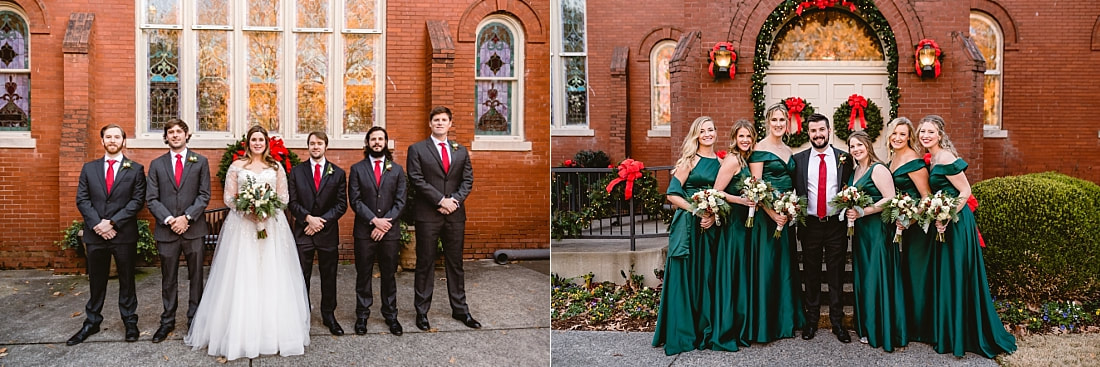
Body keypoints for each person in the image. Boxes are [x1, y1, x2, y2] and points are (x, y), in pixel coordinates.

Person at [185, 125, 310, 361]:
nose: (257, 143)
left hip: (271, 226)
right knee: (242, 272)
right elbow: (229, 197)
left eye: (261, 139)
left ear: (267, 143)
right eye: (253, 139)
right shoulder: (237, 166)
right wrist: (248, 210)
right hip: (242, 226)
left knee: (272, 272)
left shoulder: (275, 167)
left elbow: (283, 198)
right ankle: (238, 332)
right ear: (248, 143)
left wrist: (265, 210)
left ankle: (272, 333)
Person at [917, 115, 1016, 358]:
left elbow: (965, 190)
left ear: (940, 135)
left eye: (930, 132)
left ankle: (963, 334)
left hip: (958, 224)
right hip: (943, 222)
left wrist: (947, 214)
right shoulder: (930, 159)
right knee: (946, 276)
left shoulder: (948, 158)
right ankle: (948, 332)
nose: (926, 136)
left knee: (957, 275)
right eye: (922, 132)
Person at [69, 124, 146, 346]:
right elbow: (82, 199)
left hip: (123, 235)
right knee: (96, 281)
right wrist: (98, 225)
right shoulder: (89, 168)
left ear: (124, 141)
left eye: (117, 137)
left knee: (127, 281)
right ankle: (92, 322)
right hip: (95, 235)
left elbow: (136, 201)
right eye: (108, 137)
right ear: (102, 141)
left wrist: (112, 223)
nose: (112, 140)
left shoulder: (136, 169)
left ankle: (130, 321)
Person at [406, 106, 480, 331]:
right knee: (425, 263)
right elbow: (416, 179)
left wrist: (454, 201)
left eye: (444, 120)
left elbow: (467, 180)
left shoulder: (460, 150)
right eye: (436, 120)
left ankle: (460, 310)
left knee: (455, 263)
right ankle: (422, 312)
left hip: (455, 215)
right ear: (430, 124)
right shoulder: (417, 149)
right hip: (428, 215)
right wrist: (440, 200)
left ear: (450, 124)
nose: (439, 123)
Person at [652, 116, 720, 355]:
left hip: (709, 228)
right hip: (688, 225)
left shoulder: (721, 162)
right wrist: (696, 209)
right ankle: (682, 332)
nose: (708, 134)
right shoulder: (690, 161)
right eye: (703, 131)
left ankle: (703, 330)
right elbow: (672, 194)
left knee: (705, 276)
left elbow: (720, 195)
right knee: (685, 276)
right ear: (696, 135)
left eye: (711, 130)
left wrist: (712, 214)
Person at [145, 118, 211, 343]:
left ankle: (195, 320)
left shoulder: (200, 162)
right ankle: (167, 321)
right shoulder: (156, 164)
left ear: (186, 135)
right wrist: (171, 220)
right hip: (167, 231)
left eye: (179, 132)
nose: (175, 135)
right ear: (166, 137)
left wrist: (187, 218)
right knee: (168, 278)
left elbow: (204, 195)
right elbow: (151, 199)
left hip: (194, 230)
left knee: (196, 277)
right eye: (170, 132)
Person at [743, 104, 805, 343]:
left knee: (784, 267)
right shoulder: (760, 149)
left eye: (782, 120)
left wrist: (789, 210)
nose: (779, 124)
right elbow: (755, 187)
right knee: (767, 268)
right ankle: (765, 324)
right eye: (775, 120)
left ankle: (785, 320)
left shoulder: (788, 150)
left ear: (787, 123)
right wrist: (772, 214)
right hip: (766, 218)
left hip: (785, 216)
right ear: (767, 122)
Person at [791, 113, 852, 343]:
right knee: (811, 273)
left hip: (836, 224)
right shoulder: (798, 160)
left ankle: (838, 323)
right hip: (811, 225)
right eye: (813, 131)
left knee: (836, 274)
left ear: (829, 131)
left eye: (821, 130)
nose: (818, 135)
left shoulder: (844, 158)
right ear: (808, 133)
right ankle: (812, 321)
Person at [844, 131, 907, 351]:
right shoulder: (855, 171)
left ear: (868, 145)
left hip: (878, 231)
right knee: (864, 277)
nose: (856, 149)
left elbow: (890, 198)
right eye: (852, 146)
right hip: (862, 232)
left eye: (859, 145)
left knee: (876, 276)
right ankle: (866, 327)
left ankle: (881, 330)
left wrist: (863, 211)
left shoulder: (878, 168)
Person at [348, 126, 407, 336]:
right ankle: (362, 315)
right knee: (363, 274)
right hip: (365, 232)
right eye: (373, 139)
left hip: (389, 233)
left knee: (389, 275)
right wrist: (374, 221)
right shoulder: (357, 169)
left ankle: (391, 315)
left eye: (381, 139)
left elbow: (401, 201)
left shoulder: (397, 170)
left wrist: (384, 224)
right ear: (367, 143)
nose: (377, 142)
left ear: (386, 143)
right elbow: (355, 200)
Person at [288, 131, 348, 336]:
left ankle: (329, 315)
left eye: (319, 143)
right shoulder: (296, 172)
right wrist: (308, 219)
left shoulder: (338, 173)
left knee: (329, 276)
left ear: (326, 147)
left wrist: (320, 222)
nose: (315, 147)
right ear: (308, 146)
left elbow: (341, 205)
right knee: (301, 276)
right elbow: (292, 202)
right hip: (303, 232)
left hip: (327, 233)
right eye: (312, 143)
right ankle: (301, 316)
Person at [708, 119, 757, 351]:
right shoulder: (732, 159)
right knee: (732, 272)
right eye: (741, 136)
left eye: (748, 136)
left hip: (743, 223)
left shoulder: (744, 160)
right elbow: (716, 192)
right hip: (733, 225)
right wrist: (740, 200)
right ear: (734, 139)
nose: (745, 140)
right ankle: (726, 330)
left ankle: (739, 327)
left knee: (740, 273)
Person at [885, 117, 934, 343]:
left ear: (909, 137)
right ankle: (905, 324)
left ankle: (920, 327)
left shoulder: (914, 161)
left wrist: (910, 221)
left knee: (916, 275)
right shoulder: (892, 159)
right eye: (894, 133)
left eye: (902, 134)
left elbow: (926, 198)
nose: (897, 137)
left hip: (916, 229)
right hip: (898, 226)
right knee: (904, 274)